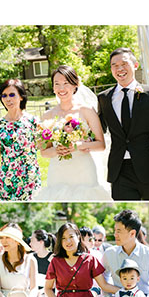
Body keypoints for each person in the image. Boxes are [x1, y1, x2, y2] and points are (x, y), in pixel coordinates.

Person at [97, 48, 149, 201]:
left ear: (135, 65)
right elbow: (98, 130)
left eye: (124, 63)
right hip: (119, 172)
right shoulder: (104, 98)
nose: (119, 68)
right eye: (114, 65)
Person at [35, 65, 111, 201]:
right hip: (58, 171)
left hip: (83, 170)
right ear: (53, 87)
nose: (61, 88)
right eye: (57, 84)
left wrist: (78, 145)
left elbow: (101, 145)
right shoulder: (47, 116)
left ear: (75, 85)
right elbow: (44, 152)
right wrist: (57, 150)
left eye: (66, 83)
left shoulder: (86, 111)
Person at [0, 79, 41, 201]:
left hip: (31, 181)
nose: (8, 99)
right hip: (8, 183)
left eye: (12, 94)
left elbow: (45, 148)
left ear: (21, 97)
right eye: (4, 95)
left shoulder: (33, 121)